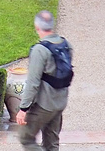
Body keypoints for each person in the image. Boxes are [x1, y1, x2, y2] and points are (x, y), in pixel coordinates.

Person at [15, 10, 70, 151]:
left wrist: (23, 109)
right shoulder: (65, 45)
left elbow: (33, 83)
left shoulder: (40, 50)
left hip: (44, 105)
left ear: (36, 26)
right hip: (60, 102)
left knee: (26, 138)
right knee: (51, 143)